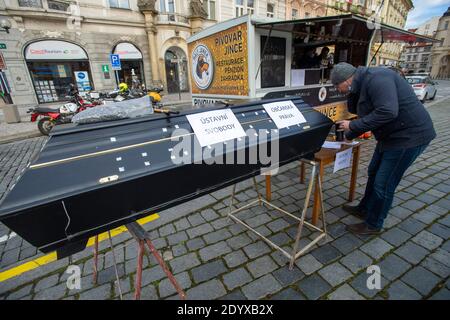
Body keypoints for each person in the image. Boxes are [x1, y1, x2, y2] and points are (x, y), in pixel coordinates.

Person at [331, 62, 436, 235]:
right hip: (390, 136)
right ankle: (364, 208)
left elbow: (387, 112)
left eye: (337, 85)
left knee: (383, 183)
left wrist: (353, 125)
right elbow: (368, 115)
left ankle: (373, 224)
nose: (336, 89)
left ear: (346, 79)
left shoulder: (377, 79)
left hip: (408, 137)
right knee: (373, 171)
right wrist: (348, 136)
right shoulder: (361, 84)